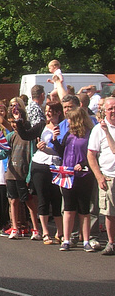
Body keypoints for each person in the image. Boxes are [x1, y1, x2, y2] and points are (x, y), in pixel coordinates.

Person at [14, 101, 65, 244]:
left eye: (51, 111)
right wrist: (19, 121)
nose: (48, 113)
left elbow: (64, 149)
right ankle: (46, 233)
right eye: (47, 110)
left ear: (58, 112)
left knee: (56, 198)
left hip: (57, 165)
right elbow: (25, 135)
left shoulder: (64, 127)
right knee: (42, 198)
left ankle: (60, 233)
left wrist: (55, 140)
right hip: (40, 165)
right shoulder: (42, 125)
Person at [0, 100, 39, 240]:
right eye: (12, 122)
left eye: (16, 121)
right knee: (13, 201)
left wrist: (29, 176)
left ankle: (35, 228)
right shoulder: (10, 136)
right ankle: (14, 228)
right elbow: (4, 153)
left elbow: (32, 156)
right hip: (11, 173)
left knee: (28, 202)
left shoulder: (29, 137)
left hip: (23, 174)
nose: (14, 125)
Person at [52, 107, 97, 252]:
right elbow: (61, 150)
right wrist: (54, 140)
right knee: (69, 208)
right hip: (68, 174)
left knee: (84, 209)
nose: (68, 121)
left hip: (84, 175)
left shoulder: (89, 135)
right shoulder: (69, 134)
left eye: (70, 119)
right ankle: (66, 239)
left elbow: (93, 154)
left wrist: (83, 164)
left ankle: (86, 240)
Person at [87, 97, 115, 255]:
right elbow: (91, 155)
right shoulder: (98, 129)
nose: (113, 111)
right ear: (104, 111)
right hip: (109, 176)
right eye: (110, 109)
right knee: (110, 213)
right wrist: (99, 176)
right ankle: (111, 243)